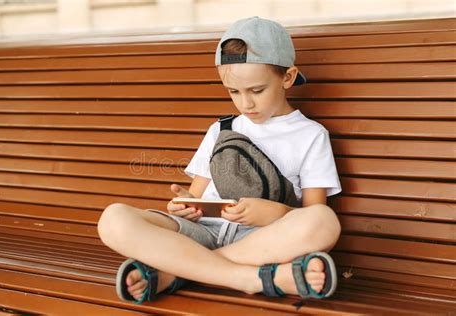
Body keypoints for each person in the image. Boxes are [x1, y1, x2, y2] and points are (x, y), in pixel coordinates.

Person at [97, 16, 342, 304]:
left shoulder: (310, 135)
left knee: (324, 222)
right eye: (234, 92)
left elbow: (312, 214)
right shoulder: (222, 129)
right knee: (113, 219)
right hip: (201, 232)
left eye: (257, 90)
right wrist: (185, 205)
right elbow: (197, 196)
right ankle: (255, 279)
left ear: (287, 77)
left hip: (259, 241)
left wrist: (271, 213)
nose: (245, 104)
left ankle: (174, 273)